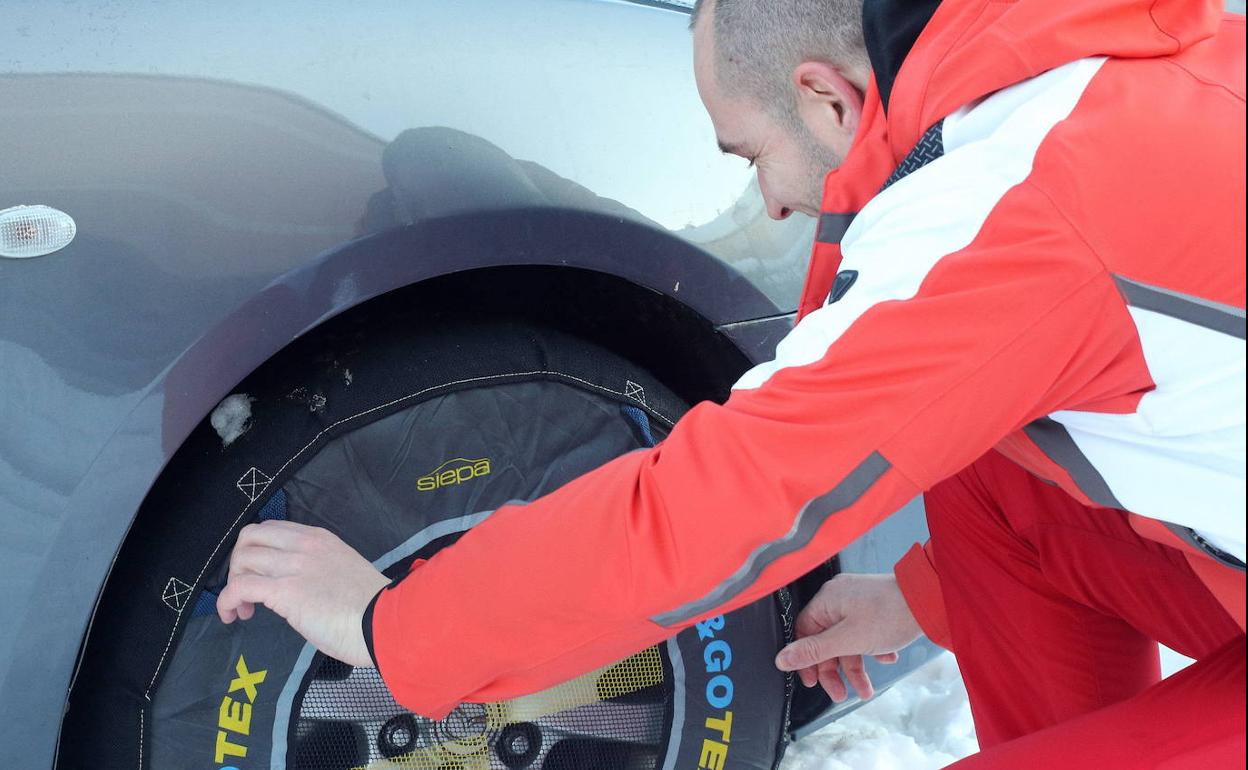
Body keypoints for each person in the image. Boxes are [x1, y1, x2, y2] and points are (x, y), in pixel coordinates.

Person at [216, 0, 1246, 765]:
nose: (774, 200)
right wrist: (933, 596)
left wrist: (392, 629)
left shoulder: (1022, 205)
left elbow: (718, 504)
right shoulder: (1082, 77)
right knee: (979, 459)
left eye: (751, 153)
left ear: (826, 98)